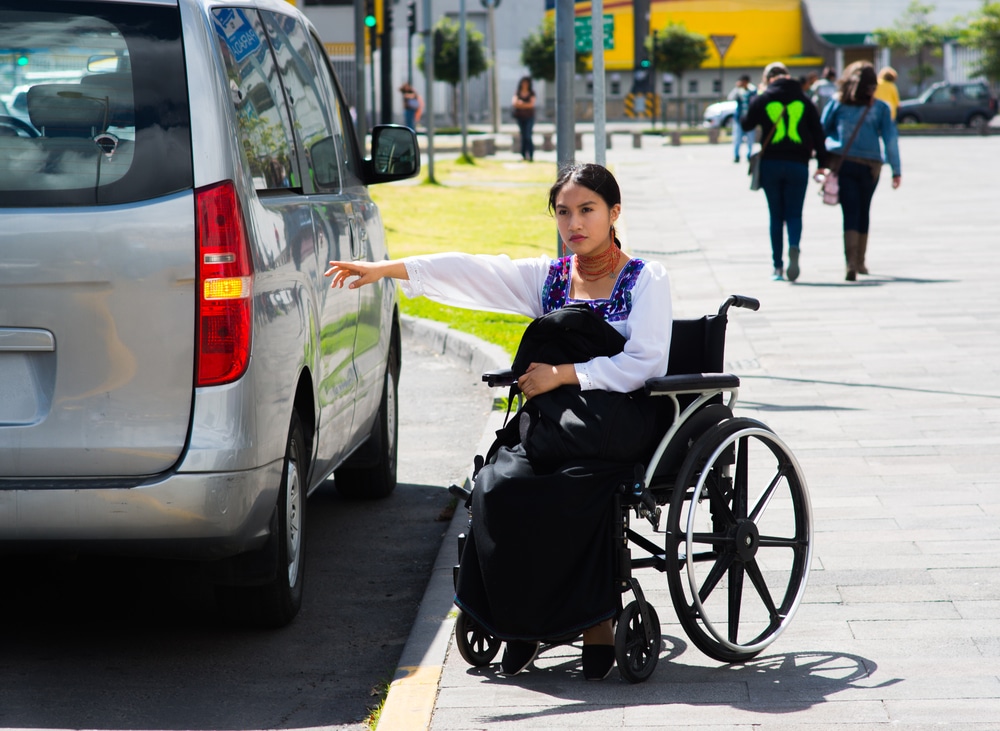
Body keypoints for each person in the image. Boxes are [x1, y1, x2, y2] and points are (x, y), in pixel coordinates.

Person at [325, 164, 672, 681]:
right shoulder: (550, 279)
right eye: (563, 212)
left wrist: (562, 374)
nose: (573, 222)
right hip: (553, 424)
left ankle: (597, 617)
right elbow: (474, 270)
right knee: (499, 484)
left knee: (575, 485)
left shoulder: (646, 278)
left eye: (587, 210)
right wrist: (387, 269)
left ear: (614, 213)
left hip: (617, 423)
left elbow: (645, 363)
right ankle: (521, 620)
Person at [740, 62, 829, 282]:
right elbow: (818, 132)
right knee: (795, 214)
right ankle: (794, 246)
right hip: (798, 164)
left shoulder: (763, 98)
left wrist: (754, 99)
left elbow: (746, 124)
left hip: (771, 163)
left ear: (768, 78)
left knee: (776, 215)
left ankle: (777, 267)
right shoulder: (804, 100)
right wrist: (822, 162)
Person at [819, 61, 902, 281]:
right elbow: (890, 140)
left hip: (844, 163)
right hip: (871, 166)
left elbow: (822, 130)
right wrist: (896, 169)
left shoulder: (837, 102)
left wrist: (827, 151)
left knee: (850, 212)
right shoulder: (880, 107)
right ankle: (861, 261)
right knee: (864, 209)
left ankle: (850, 263)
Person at [727, 74, 757, 163]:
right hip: (739, 118)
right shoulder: (738, 91)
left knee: (750, 139)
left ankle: (749, 155)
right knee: (737, 138)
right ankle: (736, 155)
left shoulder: (752, 90)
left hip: (750, 118)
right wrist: (736, 88)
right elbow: (730, 98)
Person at [512, 76, 536, 161]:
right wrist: (525, 104)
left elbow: (531, 105)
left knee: (528, 136)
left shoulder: (531, 93)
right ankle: (523, 155)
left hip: (529, 117)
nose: (524, 85)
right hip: (520, 117)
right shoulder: (518, 92)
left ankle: (531, 155)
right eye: (523, 83)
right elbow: (514, 103)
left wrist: (521, 104)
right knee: (523, 136)